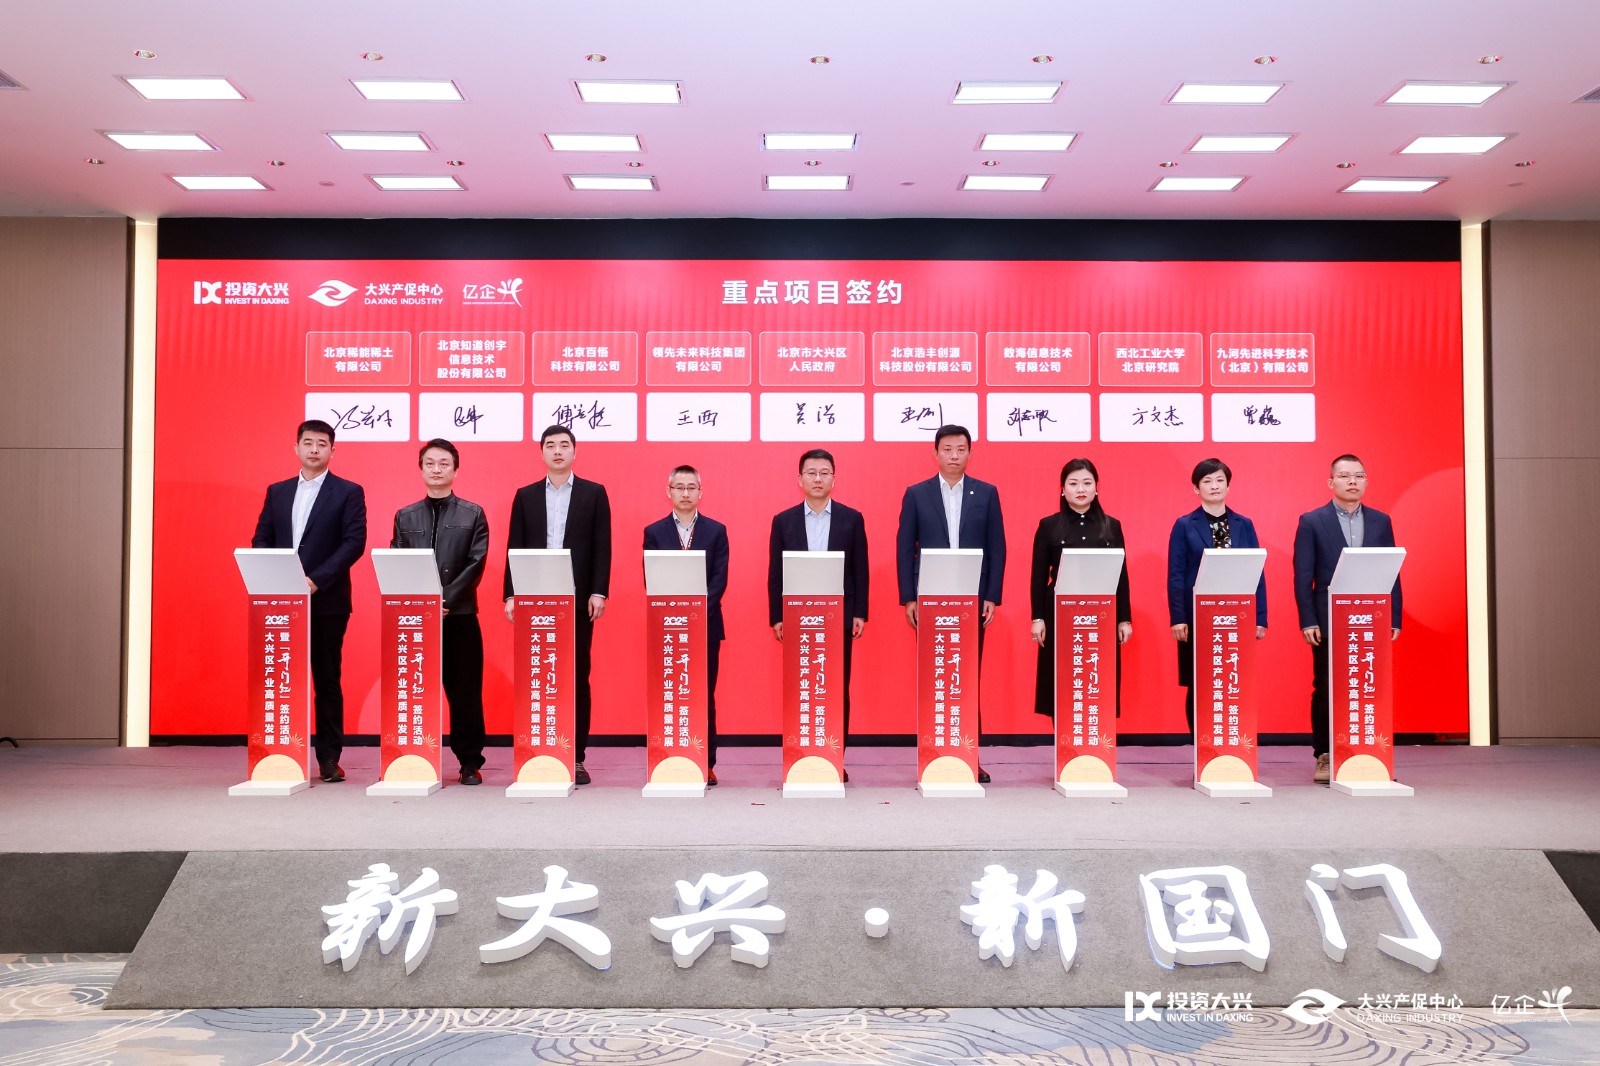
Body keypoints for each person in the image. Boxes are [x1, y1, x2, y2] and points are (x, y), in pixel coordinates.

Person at [251, 419, 367, 783]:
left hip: (327, 601)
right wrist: (276, 578)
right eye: (307, 442)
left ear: (332, 450)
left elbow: (353, 543)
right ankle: (281, 753)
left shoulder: (348, 491)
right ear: (296, 448)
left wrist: (315, 581)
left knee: (326, 680)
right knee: (281, 680)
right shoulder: (278, 491)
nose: (314, 449)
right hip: (281, 602)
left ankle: (329, 758)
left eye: (321, 443)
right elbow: (261, 539)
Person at [896, 424, 1006, 782]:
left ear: (970, 453)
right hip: (929, 597)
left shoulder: (986, 493)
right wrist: (908, 597)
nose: (954, 456)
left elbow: (997, 547)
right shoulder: (917, 494)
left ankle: (969, 755)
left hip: (973, 597)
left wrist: (992, 595)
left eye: (961, 449)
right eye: (947, 449)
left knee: (966, 676)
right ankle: (932, 754)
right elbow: (904, 547)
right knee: (935, 677)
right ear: (935, 454)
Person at [505, 425, 612, 786]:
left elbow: (602, 545)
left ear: (574, 452)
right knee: (537, 674)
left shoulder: (594, 493)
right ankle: (538, 749)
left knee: (576, 675)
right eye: (550, 445)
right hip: (535, 597)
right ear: (542, 453)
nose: (557, 451)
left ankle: (576, 756)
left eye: (564, 445)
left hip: (578, 599)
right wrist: (511, 594)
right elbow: (515, 545)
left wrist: (599, 591)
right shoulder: (526, 495)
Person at [1293, 453, 1402, 784]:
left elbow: (1392, 571)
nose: (1352, 481)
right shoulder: (1312, 521)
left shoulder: (1381, 521)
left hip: (1371, 618)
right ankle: (1324, 754)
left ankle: (1368, 751)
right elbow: (1303, 576)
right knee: (1326, 687)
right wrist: (1308, 620)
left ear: (1366, 481)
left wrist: (1394, 616)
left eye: (1359, 475)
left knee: (1367, 685)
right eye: (1344, 476)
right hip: (1328, 619)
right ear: (1331, 482)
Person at [391, 439, 489, 786]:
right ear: (421, 469)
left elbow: (476, 562)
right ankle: (415, 756)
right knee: (416, 691)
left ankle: (469, 762)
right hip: (416, 620)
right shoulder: (405, 516)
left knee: (465, 694)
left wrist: (442, 600)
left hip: (459, 616)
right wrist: (423, 604)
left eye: (444, 463)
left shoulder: (472, 513)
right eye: (430, 463)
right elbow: (396, 561)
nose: (436, 469)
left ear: (455, 470)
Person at [767, 448, 870, 777]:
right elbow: (775, 573)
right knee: (801, 688)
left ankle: (835, 757)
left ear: (833, 479)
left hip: (839, 617)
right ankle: (800, 754)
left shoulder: (851, 518)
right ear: (799, 479)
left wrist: (859, 612)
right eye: (811, 473)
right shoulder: (783, 521)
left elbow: (860, 569)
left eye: (824, 473)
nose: (817, 478)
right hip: (797, 617)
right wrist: (777, 616)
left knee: (837, 688)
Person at [642, 465, 729, 785]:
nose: (685, 493)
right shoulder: (654, 532)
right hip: (667, 628)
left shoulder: (716, 530)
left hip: (706, 625)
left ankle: (706, 761)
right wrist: (675, 614)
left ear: (700, 493)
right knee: (670, 694)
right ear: (669, 492)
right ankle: (668, 756)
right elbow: (651, 578)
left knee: (703, 695)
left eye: (691, 487)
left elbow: (719, 578)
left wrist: (696, 611)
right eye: (679, 487)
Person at [1167, 457, 1267, 734]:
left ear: (1228, 486)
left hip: (1236, 616)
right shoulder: (1185, 525)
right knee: (1199, 682)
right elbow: (1176, 574)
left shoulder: (1244, 524)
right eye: (1207, 481)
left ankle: (1232, 739)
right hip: (1198, 617)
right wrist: (1178, 618)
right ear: (1196, 489)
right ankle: (1201, 744)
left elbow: (1257, 571)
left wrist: (1259, 617)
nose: (1214, 486)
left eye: (1220, 480)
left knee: (1233, 680)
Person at [1029, 458, 1132, 720]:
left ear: (1097, 487)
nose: (1081, 489)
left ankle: (1096, 738)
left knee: (1099, 677)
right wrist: (1038, 618)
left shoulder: (1112, 526)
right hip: (1059, 614)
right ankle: (1064, 741)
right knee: (1061, 678)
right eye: (1073, 483)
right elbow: (1038, 577)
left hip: (1102, 615)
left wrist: (1124, 619)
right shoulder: (1048, 525)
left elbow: (1121, 576)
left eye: (1087, 483)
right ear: (1063, 489)